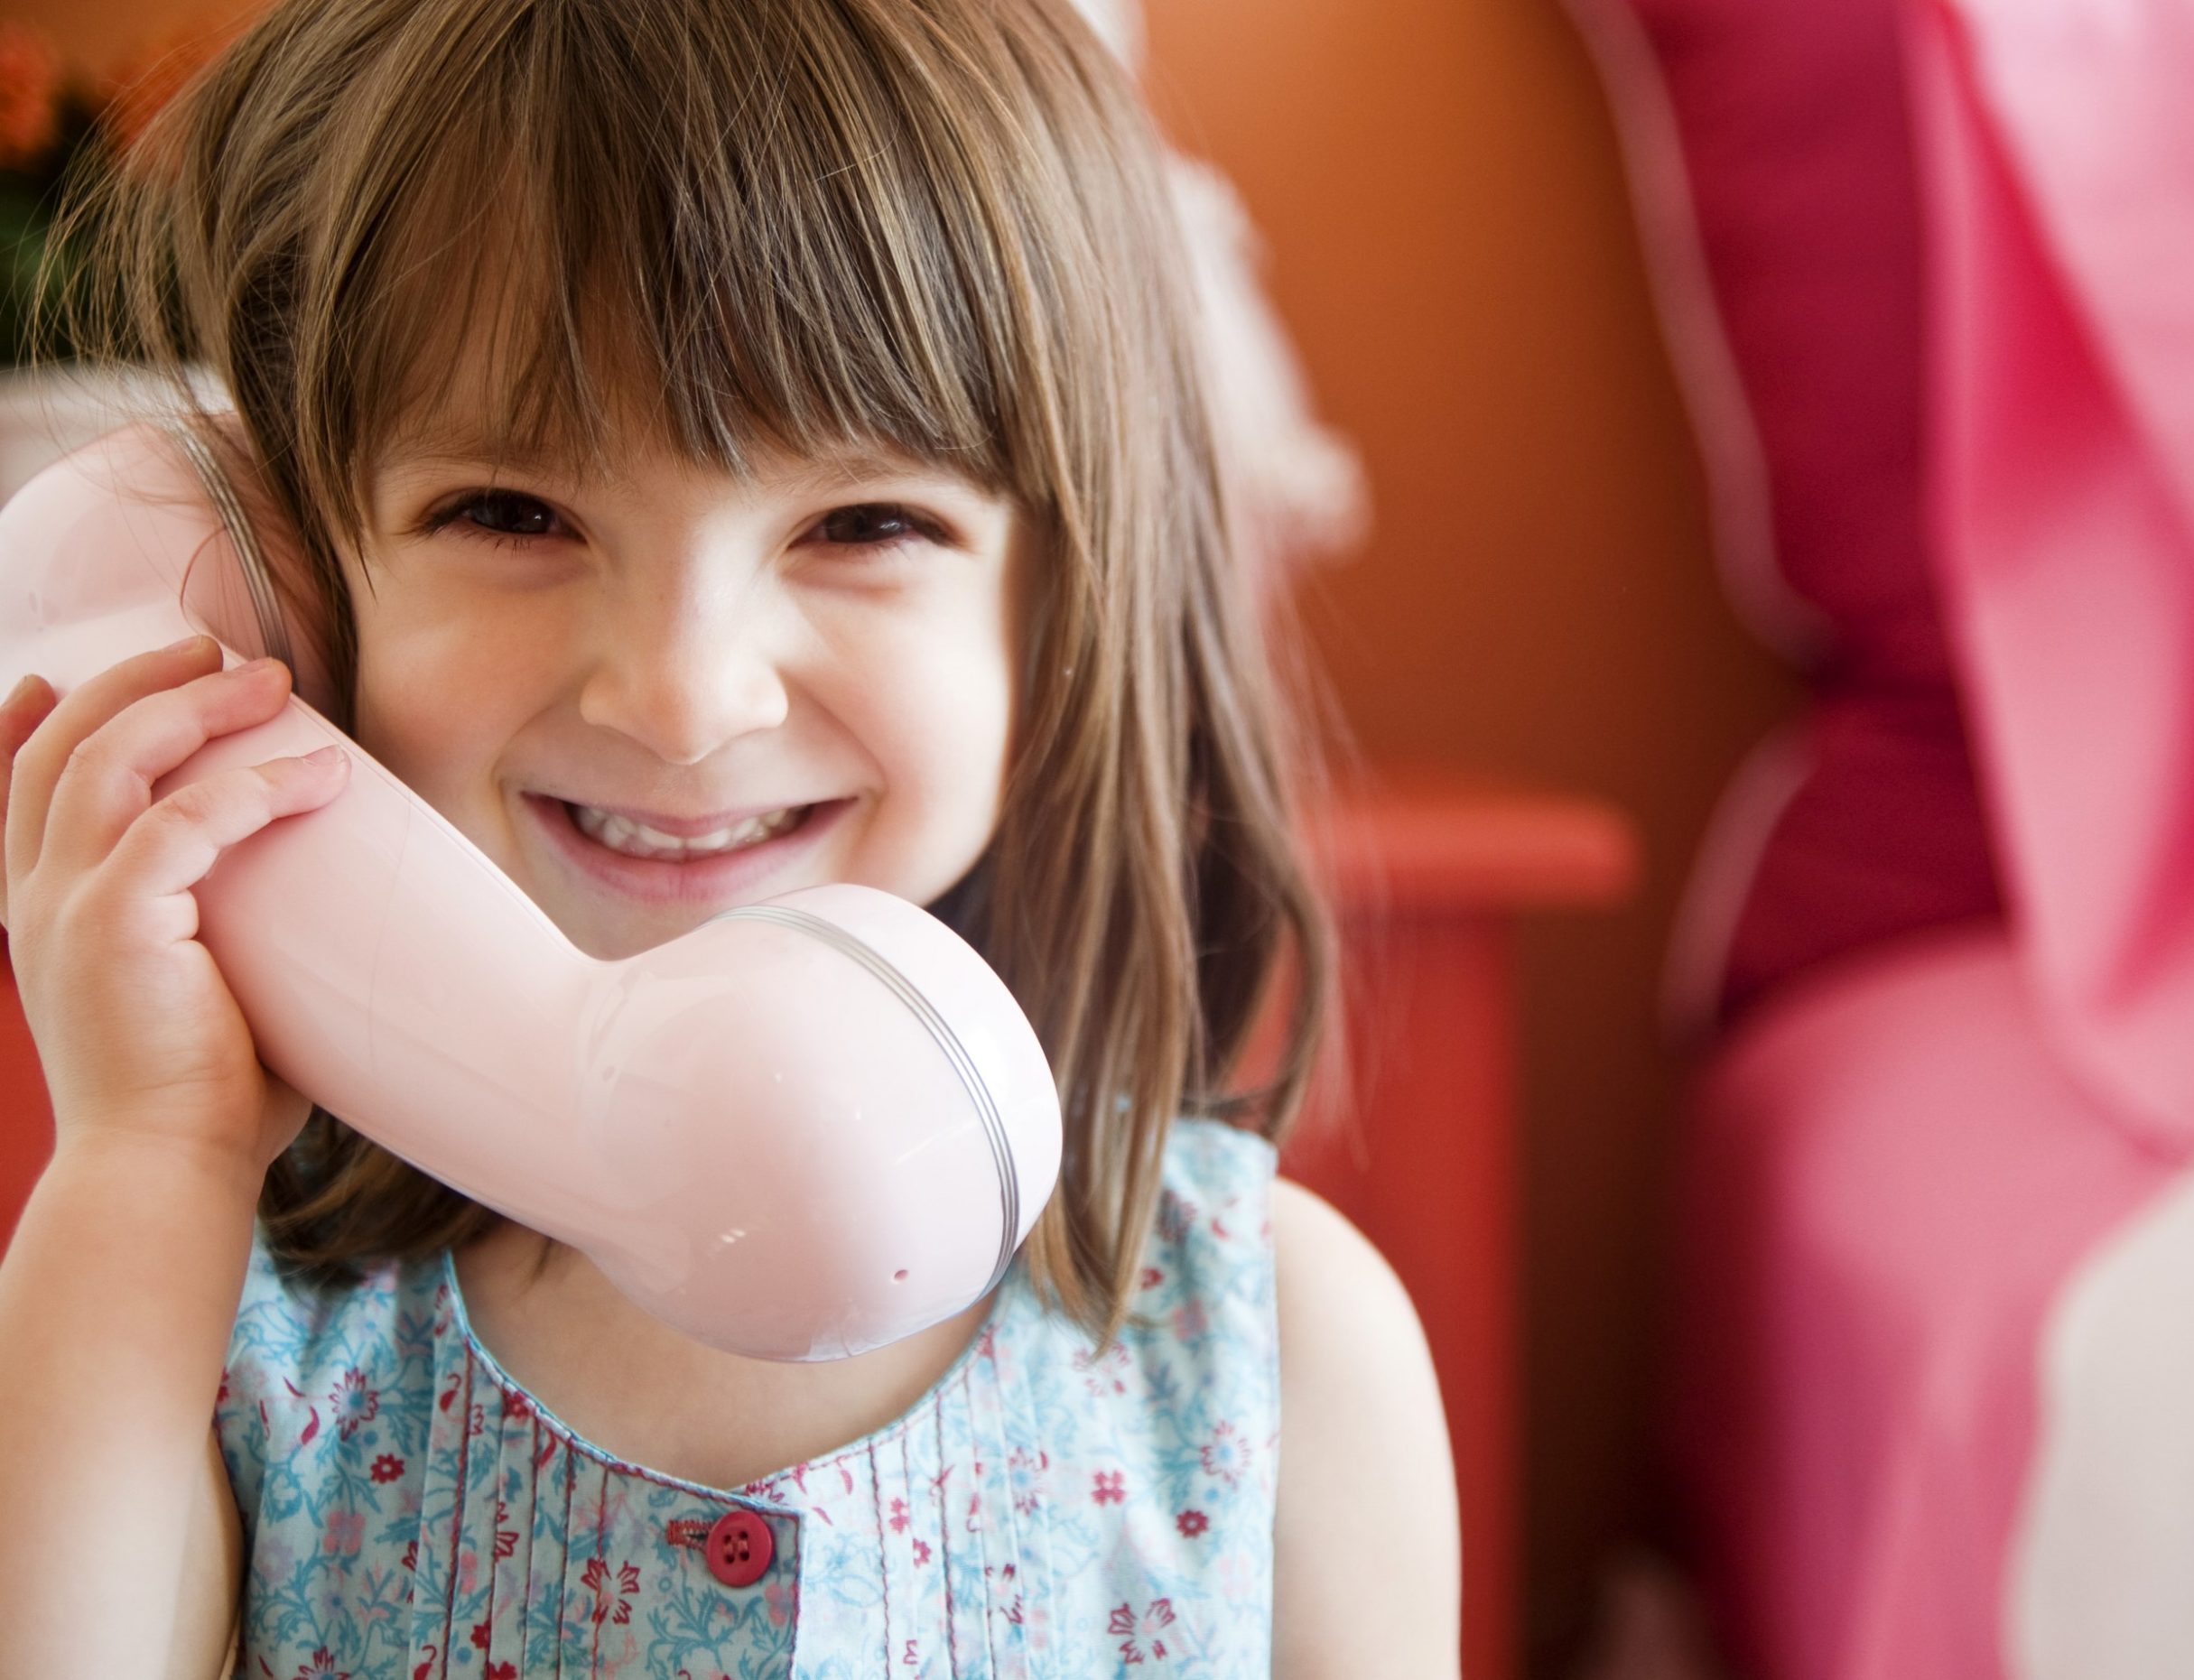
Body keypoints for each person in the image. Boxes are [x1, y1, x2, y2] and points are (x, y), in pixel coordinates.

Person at [0, 0, 1460, 1673]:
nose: (683, 698)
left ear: (1062, 603)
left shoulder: (1269, 1344)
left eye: (863, 522)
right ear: (302, 598)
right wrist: (150, 1164)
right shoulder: (222, 1327)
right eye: (511, 511)